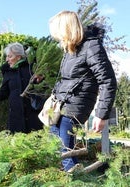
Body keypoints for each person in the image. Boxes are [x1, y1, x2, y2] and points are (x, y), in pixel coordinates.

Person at [48, 11, 117, 172]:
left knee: (66, 150)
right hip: (61, 105)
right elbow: (68, 79)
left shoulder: (91, 46)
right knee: (55, 146)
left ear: (66, 28)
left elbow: (108, 81)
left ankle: (74, 180)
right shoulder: (71, 49)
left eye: (57, 32)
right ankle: (63, 178)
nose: (56, 37)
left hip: (76, 107)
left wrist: (101, 114)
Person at [0, 42, 44, 133]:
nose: (7, 59)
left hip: (33, 115)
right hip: (15, 117)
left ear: (19, 56)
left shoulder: (31, 68)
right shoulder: (8, 72)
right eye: (7, 56)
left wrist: (40, 80)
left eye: (10, 56)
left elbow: (42, 88)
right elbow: (4, 92)